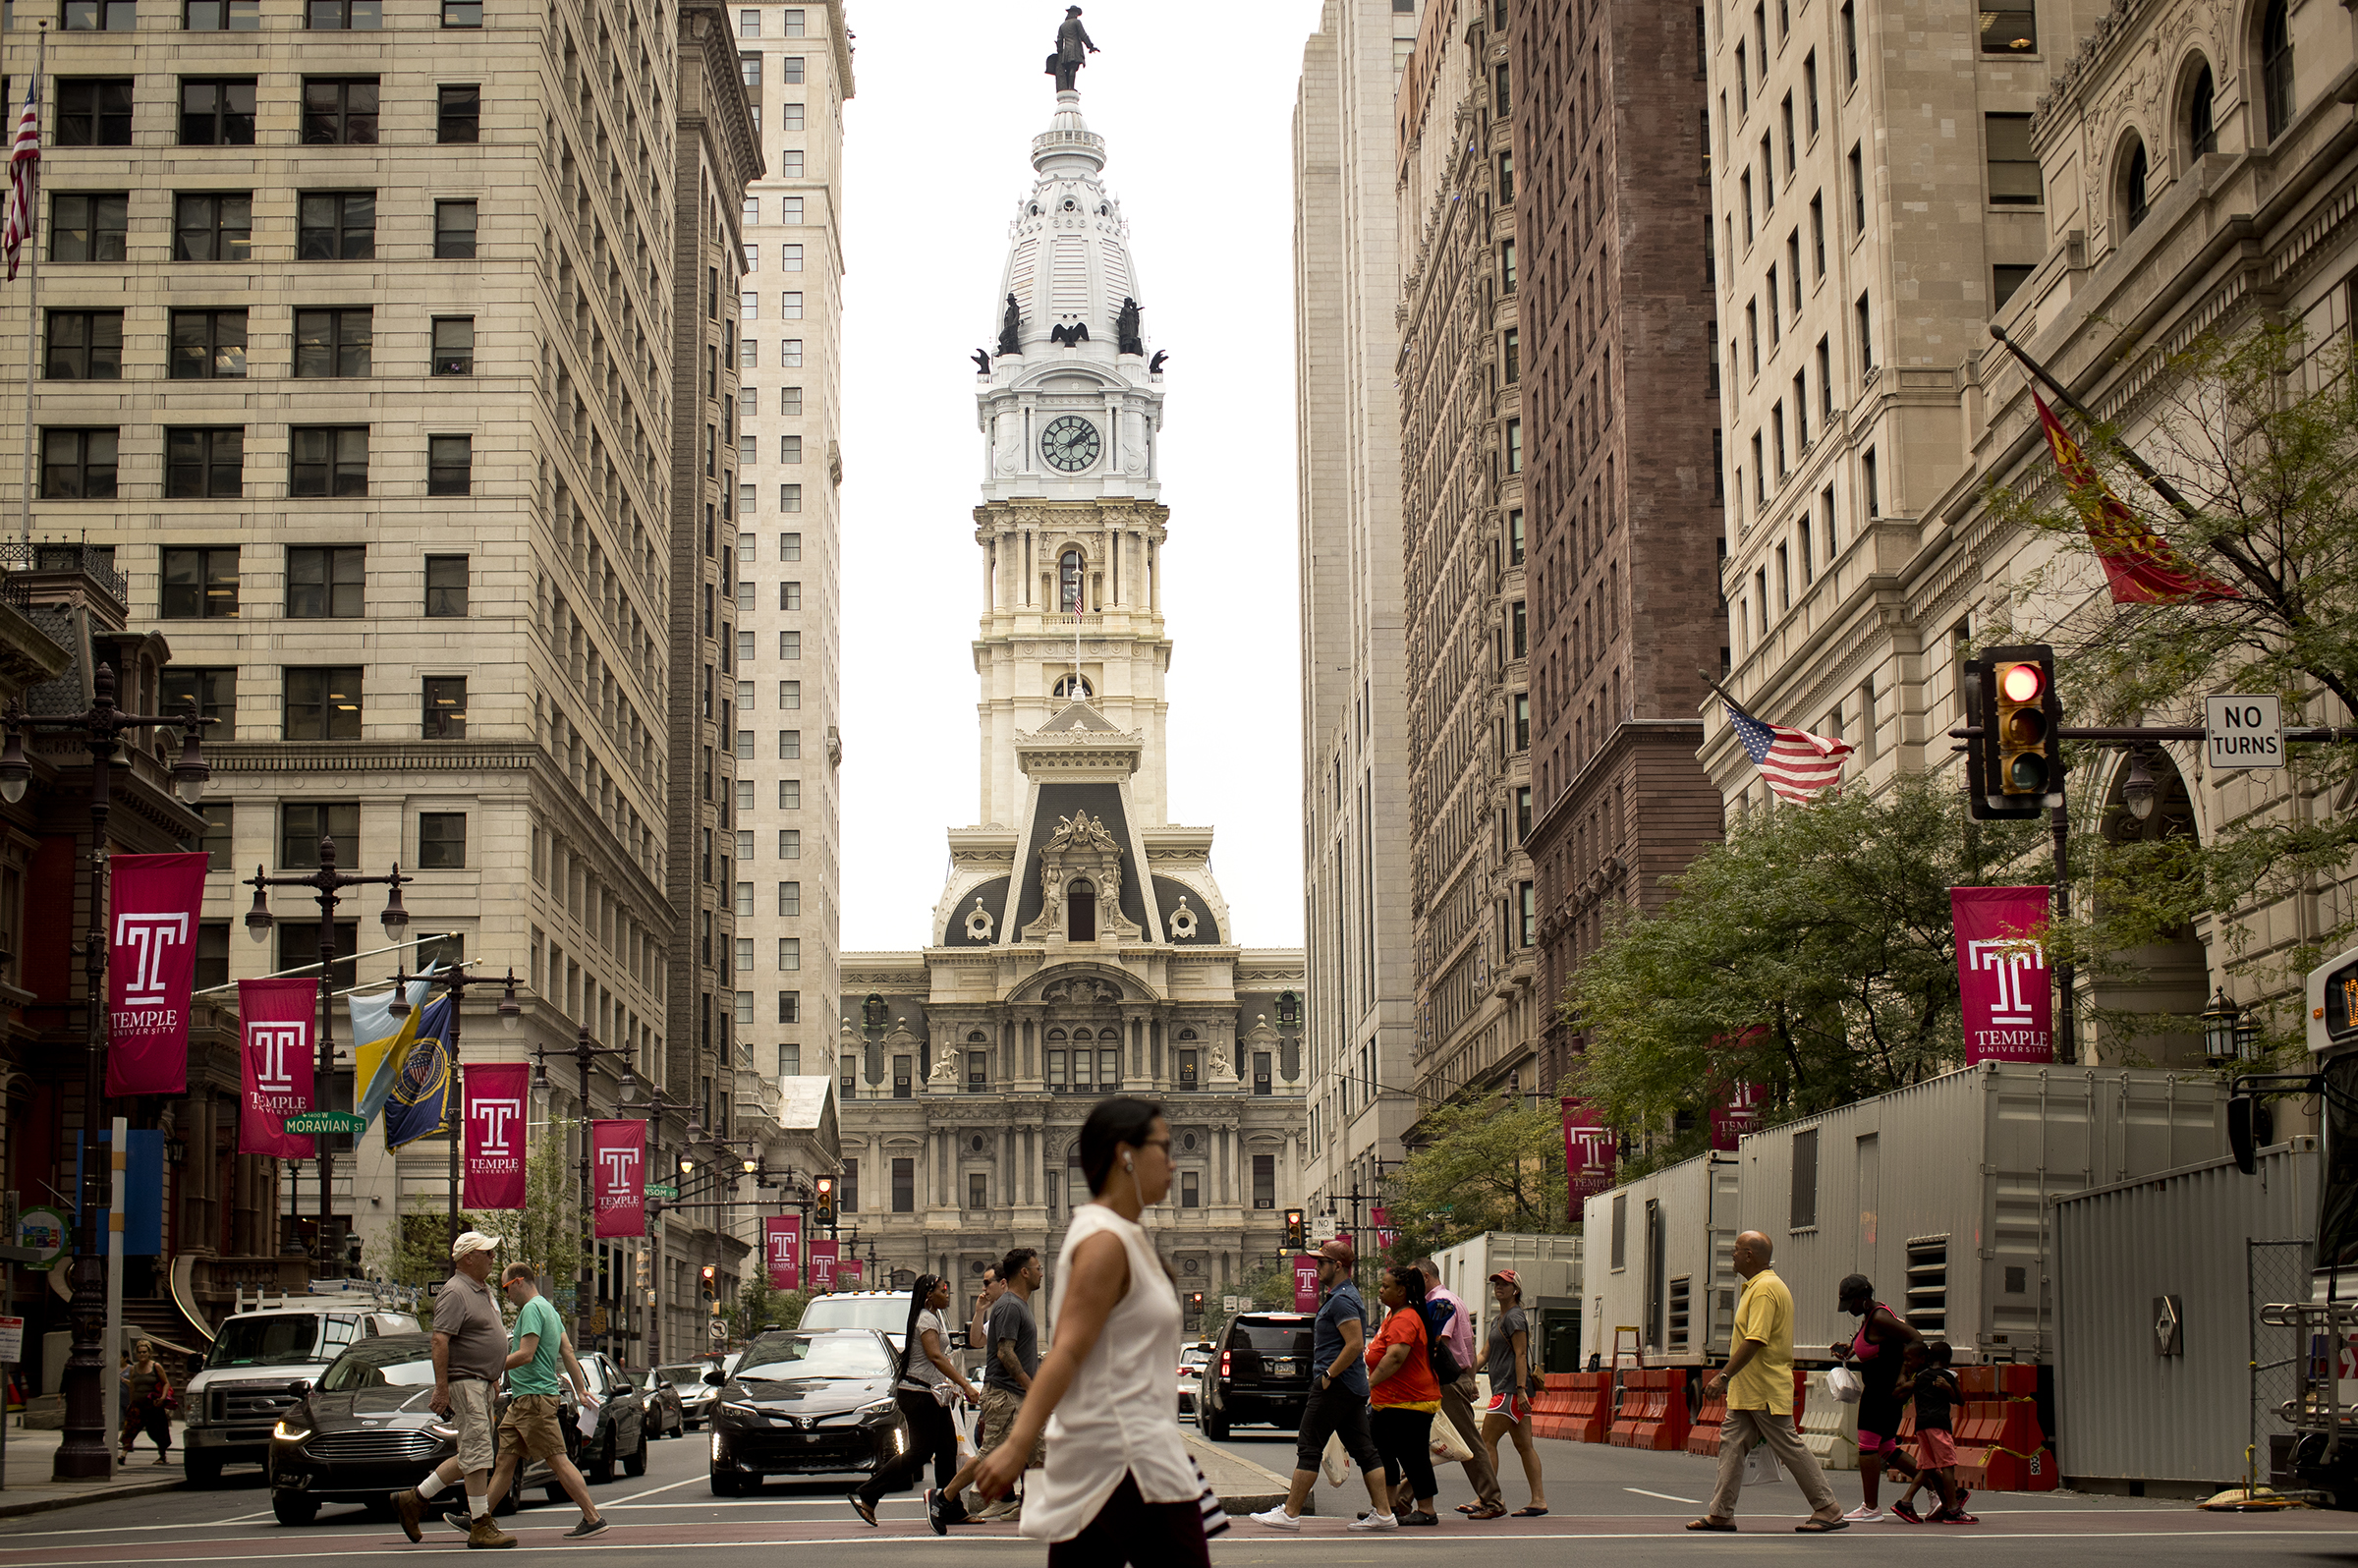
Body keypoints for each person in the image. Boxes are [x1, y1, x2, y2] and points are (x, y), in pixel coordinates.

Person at [972, 1097, 1226, 1565]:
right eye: (1162, 1147)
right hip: (1127, 1456)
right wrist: (1017, 1444)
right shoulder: (1104, 1241)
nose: (1174, 1162)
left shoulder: (1123, 1235)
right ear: (1124, 1154)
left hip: (1118, 1453)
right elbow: (1067, 1351)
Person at [1689, 1230, 1847, 1534]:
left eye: (1736, 1250)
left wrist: (1723, 1376)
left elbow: (1755, 1339)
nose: (1732, 1255)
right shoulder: (1756, 1287)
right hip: (1748, 1391)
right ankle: (1721, 1513)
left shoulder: (1764, 1290)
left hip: (1763, 1388)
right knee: (1732, 1446)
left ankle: (1828, 1507)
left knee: (1789, 1446)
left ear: (1750, 1255)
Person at [1246, 1240, 1391, 1532]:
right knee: (1365, 1450)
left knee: (1309, 1446)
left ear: (1338, 1266)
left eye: (1322, 1262)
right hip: (1350, 1386)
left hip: (1336, 1385)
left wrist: (1328, 1376)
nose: (1316, 1267)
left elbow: (1354, 1345)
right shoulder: (1343, 1296)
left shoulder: (1341, 1300)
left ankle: (1290, 1513)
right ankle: (1385, 1514)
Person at [394, 1232, 513, 1548]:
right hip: (466, 1382)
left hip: (482, 1382)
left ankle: (413, 1499)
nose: (492, 1257)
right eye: (486, 1252)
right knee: (477, 1455)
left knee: (473, 1453)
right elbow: (439, 1340)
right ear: (467, 1258)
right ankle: (479, 1524)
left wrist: (494, 1373)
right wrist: (442, 1389)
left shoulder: (481, 1290)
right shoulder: (455, 1292)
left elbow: (485, 1337)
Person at [849, 1275, 979, 1528]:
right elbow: (935, 1357)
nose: (947, 1294)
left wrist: (949, 1386)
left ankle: (948, 1506)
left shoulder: (934, 1316)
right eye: (943, 1290)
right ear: (929, 1295)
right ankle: (869, 1492)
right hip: (918, 1395)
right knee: (920, 1452)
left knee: (947, 1449)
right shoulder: (926, 1318)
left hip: (931, 1394)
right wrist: (965, 1384)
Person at [939, 1247, 1045, 1524]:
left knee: (1039, 1450)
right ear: (1024, 1272)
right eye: (1037, 1268)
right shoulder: (1010, 1306)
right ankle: (944, 1499)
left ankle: (1031, 1506)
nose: (1041, 1273)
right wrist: (1030, 1386)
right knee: (990, 1454)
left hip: (1016, 1394)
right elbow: (1005, 1353)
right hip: (1007, 1394)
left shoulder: (1016, 1305)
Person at [1397, 1258, 1502, 1520]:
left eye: (1412, 1279)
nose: (1407, 1286)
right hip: (1450, 1380)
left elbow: (1435, 1343)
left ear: (1424, 1276)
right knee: (1419, 1442)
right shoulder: (1450, 1299)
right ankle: (1398, 1500)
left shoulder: (1439, 1304)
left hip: (1445, 1381)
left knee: (1465, 1442)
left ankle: (1492, 1500)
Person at [1832, 1273, 1923, 1522]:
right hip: (1881, 1389)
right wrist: (1850, 1349)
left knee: (1867, 1445)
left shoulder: (1880, 1317)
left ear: (1863, 1297)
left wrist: (1904, 1373)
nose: (1848, 1309)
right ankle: (1944, 1492)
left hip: (1882, 1391)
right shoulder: (1870, 1316)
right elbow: (1876, 1345)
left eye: (1850, 1303)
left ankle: (1871, 1507)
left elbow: (1916, 1338)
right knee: (1885, 1447)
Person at [1362, 1263, 1443, 1529]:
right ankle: (1388, 1508)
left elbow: (1395, 1357)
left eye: (1386, 1286)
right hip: (1388, 1401)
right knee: (1383, 1454)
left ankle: (1427, 1510)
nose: (1381, 1290)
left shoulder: (1406, 1318)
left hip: (1411, 1401)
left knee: (1412, 1455)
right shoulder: (1393, 1315)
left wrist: (1368, 1385)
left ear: (1402, 1290)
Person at [1479, 1269, 1546, 1517]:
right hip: (1511, 1391)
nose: (1498, 1287)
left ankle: (1485, 1497)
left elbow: (1520, 1354)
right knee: (1524, 1446)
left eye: (1504, 1284)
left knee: (1487, 1442)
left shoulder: (1515, 1317)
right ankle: (1538, 1499)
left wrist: (1520, 1390)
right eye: (1496, 1283)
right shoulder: (1499, 1319)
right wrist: (1464, 1376)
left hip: (1509, 1390)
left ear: (1515, 1290)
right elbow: (1484, 1354)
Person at [1889, 1343, 1974, 1524]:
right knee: (1948, 1465)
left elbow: (1900, 1392)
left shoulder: (1919, 1376)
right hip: (1939, 1425)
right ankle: (1953, 1509)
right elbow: (1959, 1401)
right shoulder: (1950, 1376)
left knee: (1927, 1467)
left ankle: (1905, 1501)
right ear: (1948, 1360)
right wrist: (1950, 1388)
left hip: (1921, 1425)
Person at [121, 1340, 173, 1464]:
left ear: (149, 1353)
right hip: (138, 1405)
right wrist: (131, 1402)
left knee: (157, 1431)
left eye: (144, 1352)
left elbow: (166, 1383)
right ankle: (123, 1455)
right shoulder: (133, 1369)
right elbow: (132, 1387)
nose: (142, 1355)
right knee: (130, 1429)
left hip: (153, 1405)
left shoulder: (156, 1367)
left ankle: (162, 1455)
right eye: (139, 1352)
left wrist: (163, 1398)